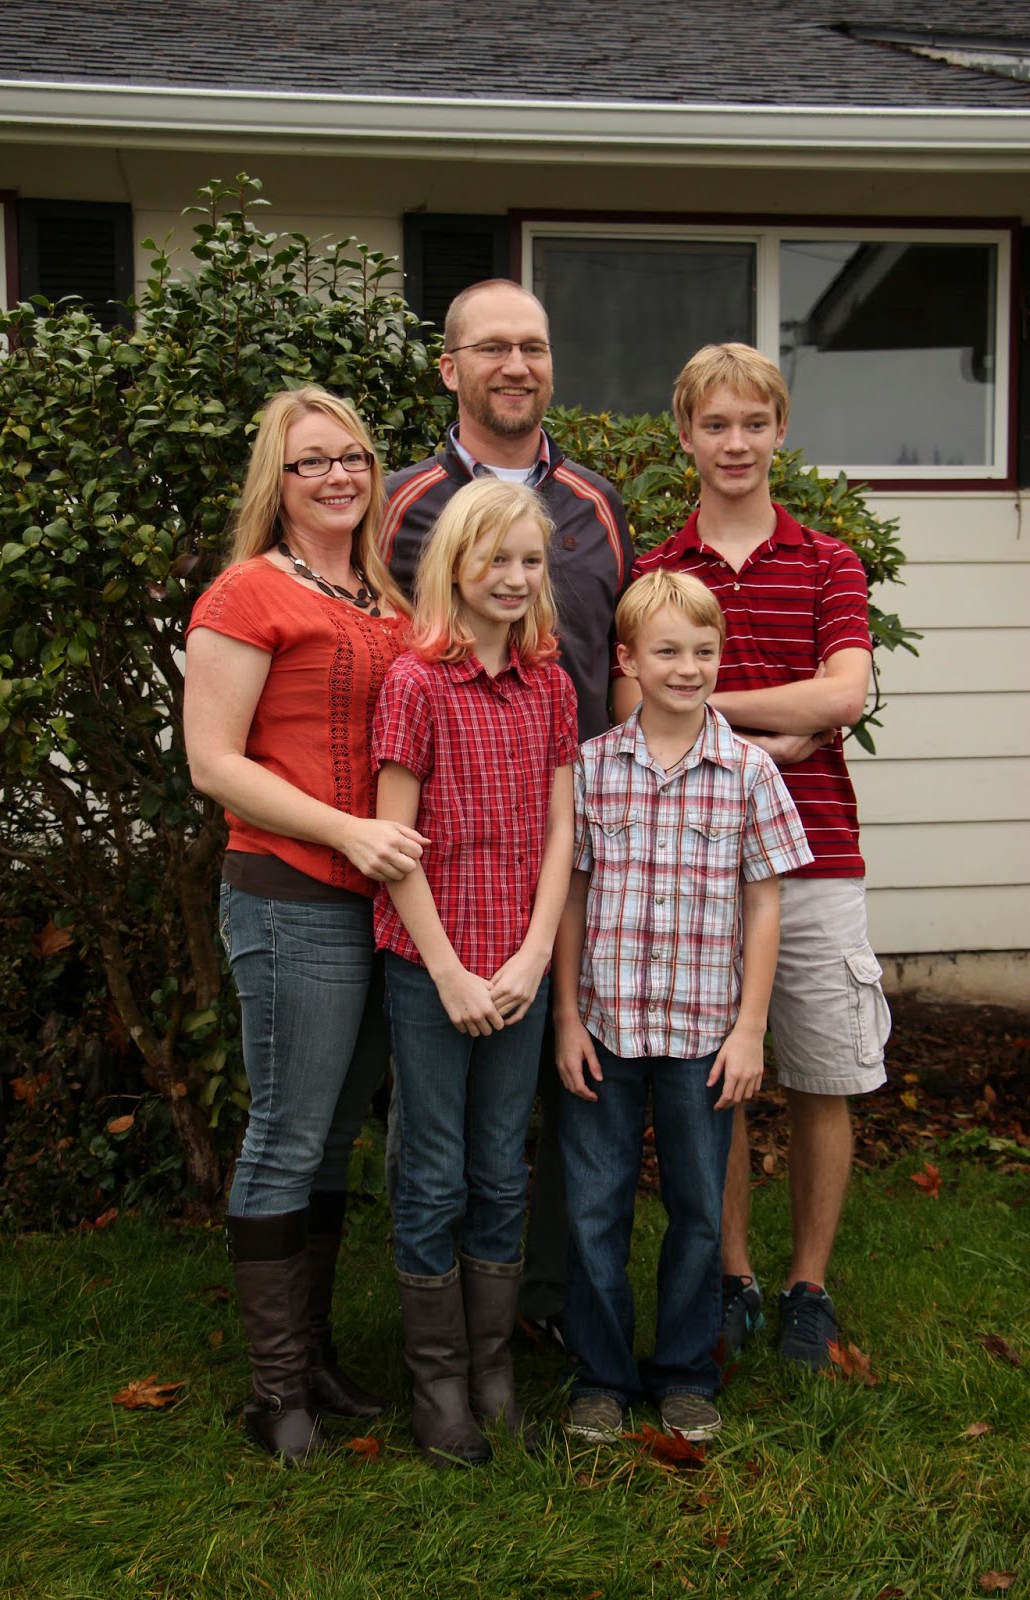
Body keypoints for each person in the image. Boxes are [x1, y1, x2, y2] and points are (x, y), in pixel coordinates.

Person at [613, 344, 891, 1370]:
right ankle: (729, 1276)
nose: (734, 442)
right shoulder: (655, 572)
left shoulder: (828, 562)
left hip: (816, 857)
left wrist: (698, 702)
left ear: (779, 432)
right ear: (685, 435)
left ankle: (805, 1287)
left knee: (824, 1074)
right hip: (689, 867)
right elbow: (622, 708)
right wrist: (757, 729)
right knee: (712, 1082)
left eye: (753, 423)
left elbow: (840, 696)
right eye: (714, 424)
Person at [378, 278, 634, 1341]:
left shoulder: (596, 504)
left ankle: (546, 1311)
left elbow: (621, 658)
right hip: (435, 855)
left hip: (565, 839)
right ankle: (452, 1343)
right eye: (492, 348)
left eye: (532, 345)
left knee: (562, 1082)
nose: (516, 365)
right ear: (452, 368)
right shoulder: (401, 501)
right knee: (443, 1126)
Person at [184, 386, 426, 1463]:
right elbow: (214, 762)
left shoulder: (386, 596)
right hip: (290, 891)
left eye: (355, 457)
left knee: (333, 1137)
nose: (337, 476)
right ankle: (275, 1394)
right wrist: (347, 830)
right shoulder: (245, 591)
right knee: (286, 1132)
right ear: (273, 486)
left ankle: (317, 1359)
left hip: (380, 900)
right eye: (310, 462)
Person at [555, 570, 813, 1442]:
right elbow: (571, 897)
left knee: (701, 1212)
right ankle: (601, 1374)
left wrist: (750, 1031)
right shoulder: (589, 770)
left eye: (704, 652)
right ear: (627, 659)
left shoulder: (747, 771)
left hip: (705, 1035)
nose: (688, 667)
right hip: (605, 1028)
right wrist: (563, 1019)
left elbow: (765, 902)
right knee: (595, 1209)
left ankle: (684, 1373)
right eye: (667, 651)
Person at [372, 477, 577, 1466]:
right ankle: (438, 1384)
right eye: (494, 558)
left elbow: (559, 831)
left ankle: (493, 1370)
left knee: (502, 1166)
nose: (513, 575)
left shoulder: (549, 685)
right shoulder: (416, 681)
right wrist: (449, 971)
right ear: (453, 564)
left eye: (529, 560)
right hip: (432, 967)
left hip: (517, 969)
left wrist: (535, 954)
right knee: (433, 1168)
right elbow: (394, 839)